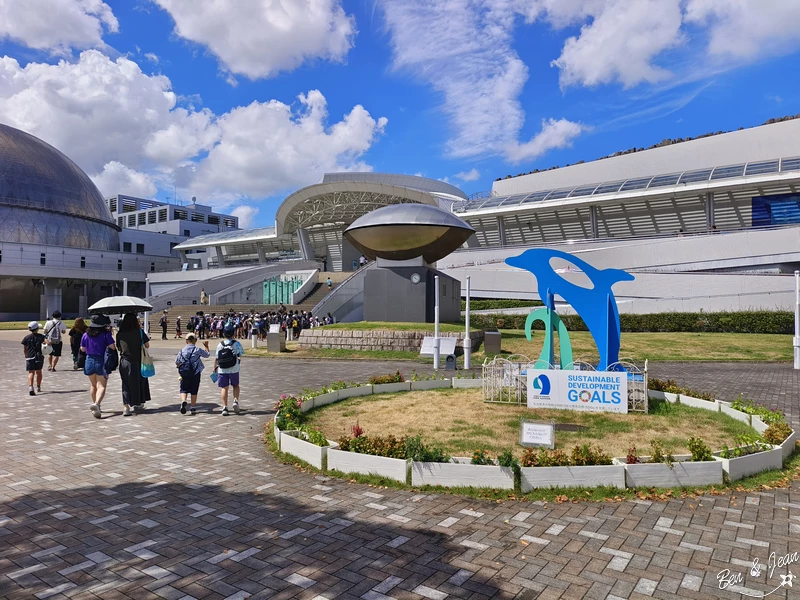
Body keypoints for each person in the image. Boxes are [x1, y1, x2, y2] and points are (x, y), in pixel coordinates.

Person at [116, 313, 151, 416]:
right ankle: (138, 403)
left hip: (125, 361)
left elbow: (119, 348)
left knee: (126, 384)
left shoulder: (120, 334)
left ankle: (126, 407)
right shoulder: (139, 332)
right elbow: (147, 345)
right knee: (140, 382)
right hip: (139, 360)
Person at [80, 315, 116, 418]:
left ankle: (95, 404)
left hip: (89, 360)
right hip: (101, 361)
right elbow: (112, 347)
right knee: (102, 385)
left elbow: (82, 349)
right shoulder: (106, 334)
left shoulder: (85, 335)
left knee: (93, 385)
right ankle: (97, 404)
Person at [213, 325, 244, 416]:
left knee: (224, 388)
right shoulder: (237, 344)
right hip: (234, 368)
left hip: (222, 370)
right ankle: (235, 401)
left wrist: (215, 368)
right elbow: (240, 355)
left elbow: (217, 358)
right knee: (235, 385)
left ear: (223, 334)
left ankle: (225, 407)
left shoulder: (220, 344)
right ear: (234, 333)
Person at [176, 334, 210, 415]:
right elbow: (207, 355)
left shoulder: (182, 351)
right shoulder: (197, 350)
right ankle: (193, 407)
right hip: (195, 372)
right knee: (194, 390)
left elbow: (177, 362)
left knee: (183, 389)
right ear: (195, 341)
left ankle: (184, 401)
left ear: (186, 341)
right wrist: (206, 346)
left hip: (184, 373)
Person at [22, 321, 46, 396]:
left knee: (31, 372)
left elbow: (25, 349)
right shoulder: (41, 337)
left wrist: (26, 355)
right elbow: (48, 343)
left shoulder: (26, 337)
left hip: (30, 356)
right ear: (37, 328)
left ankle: (30, 387)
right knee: (39, 372)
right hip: (38, 356)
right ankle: (38, 386)